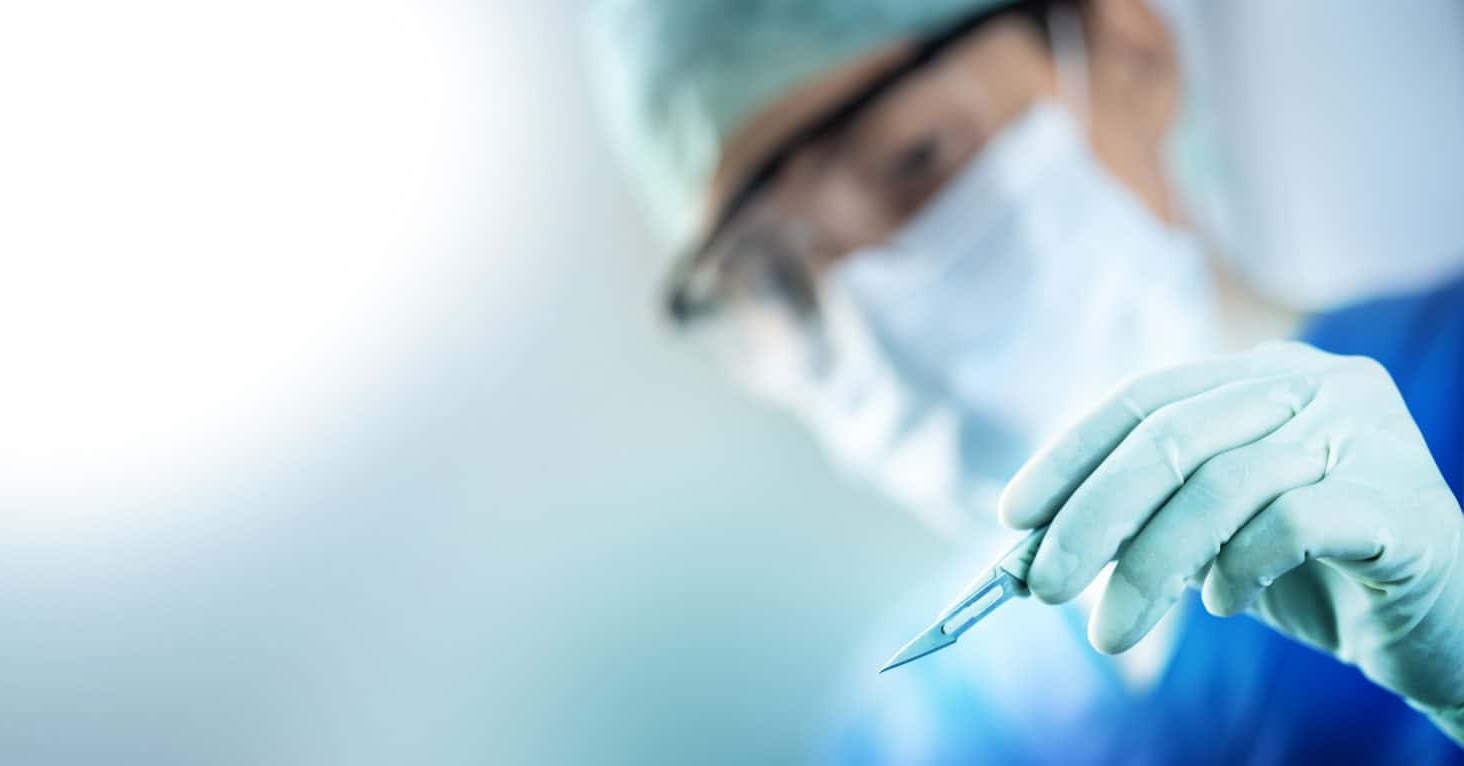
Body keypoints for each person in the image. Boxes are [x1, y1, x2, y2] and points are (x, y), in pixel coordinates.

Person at [586, 0, 1464, 760]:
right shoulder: (915, 733)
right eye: (776, 282)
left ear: (1127, 53)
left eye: (914, 158)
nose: (871, 316)